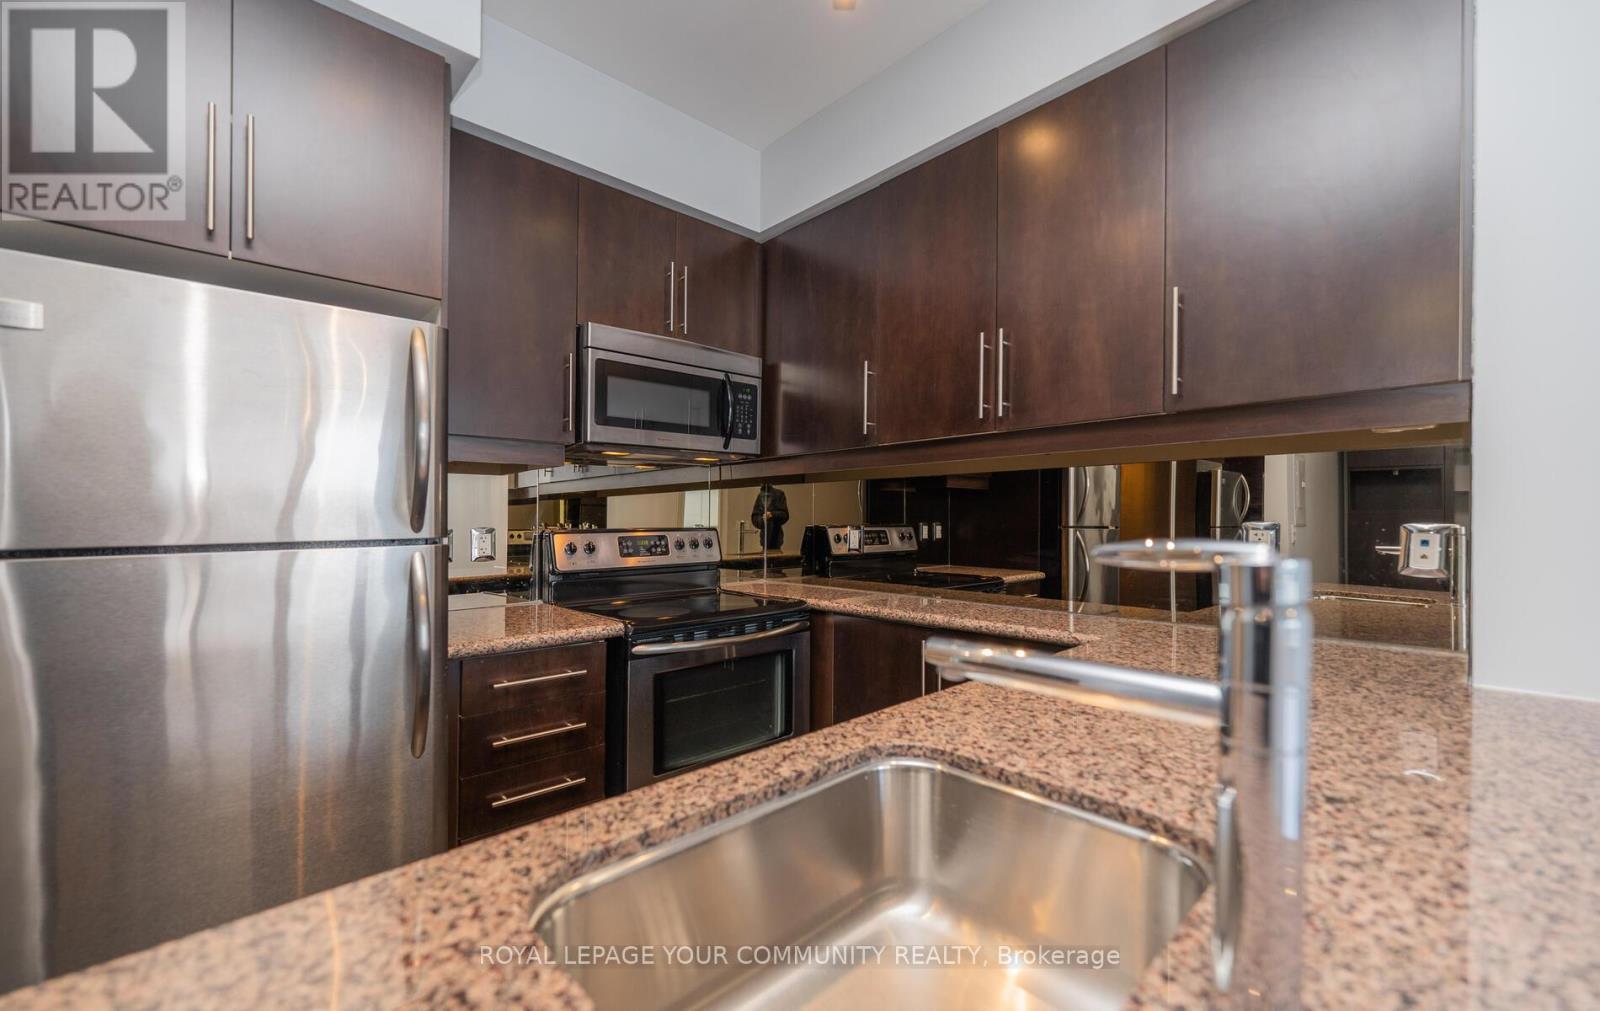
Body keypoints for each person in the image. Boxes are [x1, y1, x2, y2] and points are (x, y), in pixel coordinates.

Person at [750, 483, 790, 551]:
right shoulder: (760, 496)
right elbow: (755, 516)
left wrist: (772, 514)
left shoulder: (779, 494)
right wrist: (762, 519)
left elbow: (784, 515)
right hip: (764, 538)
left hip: (776, 536)